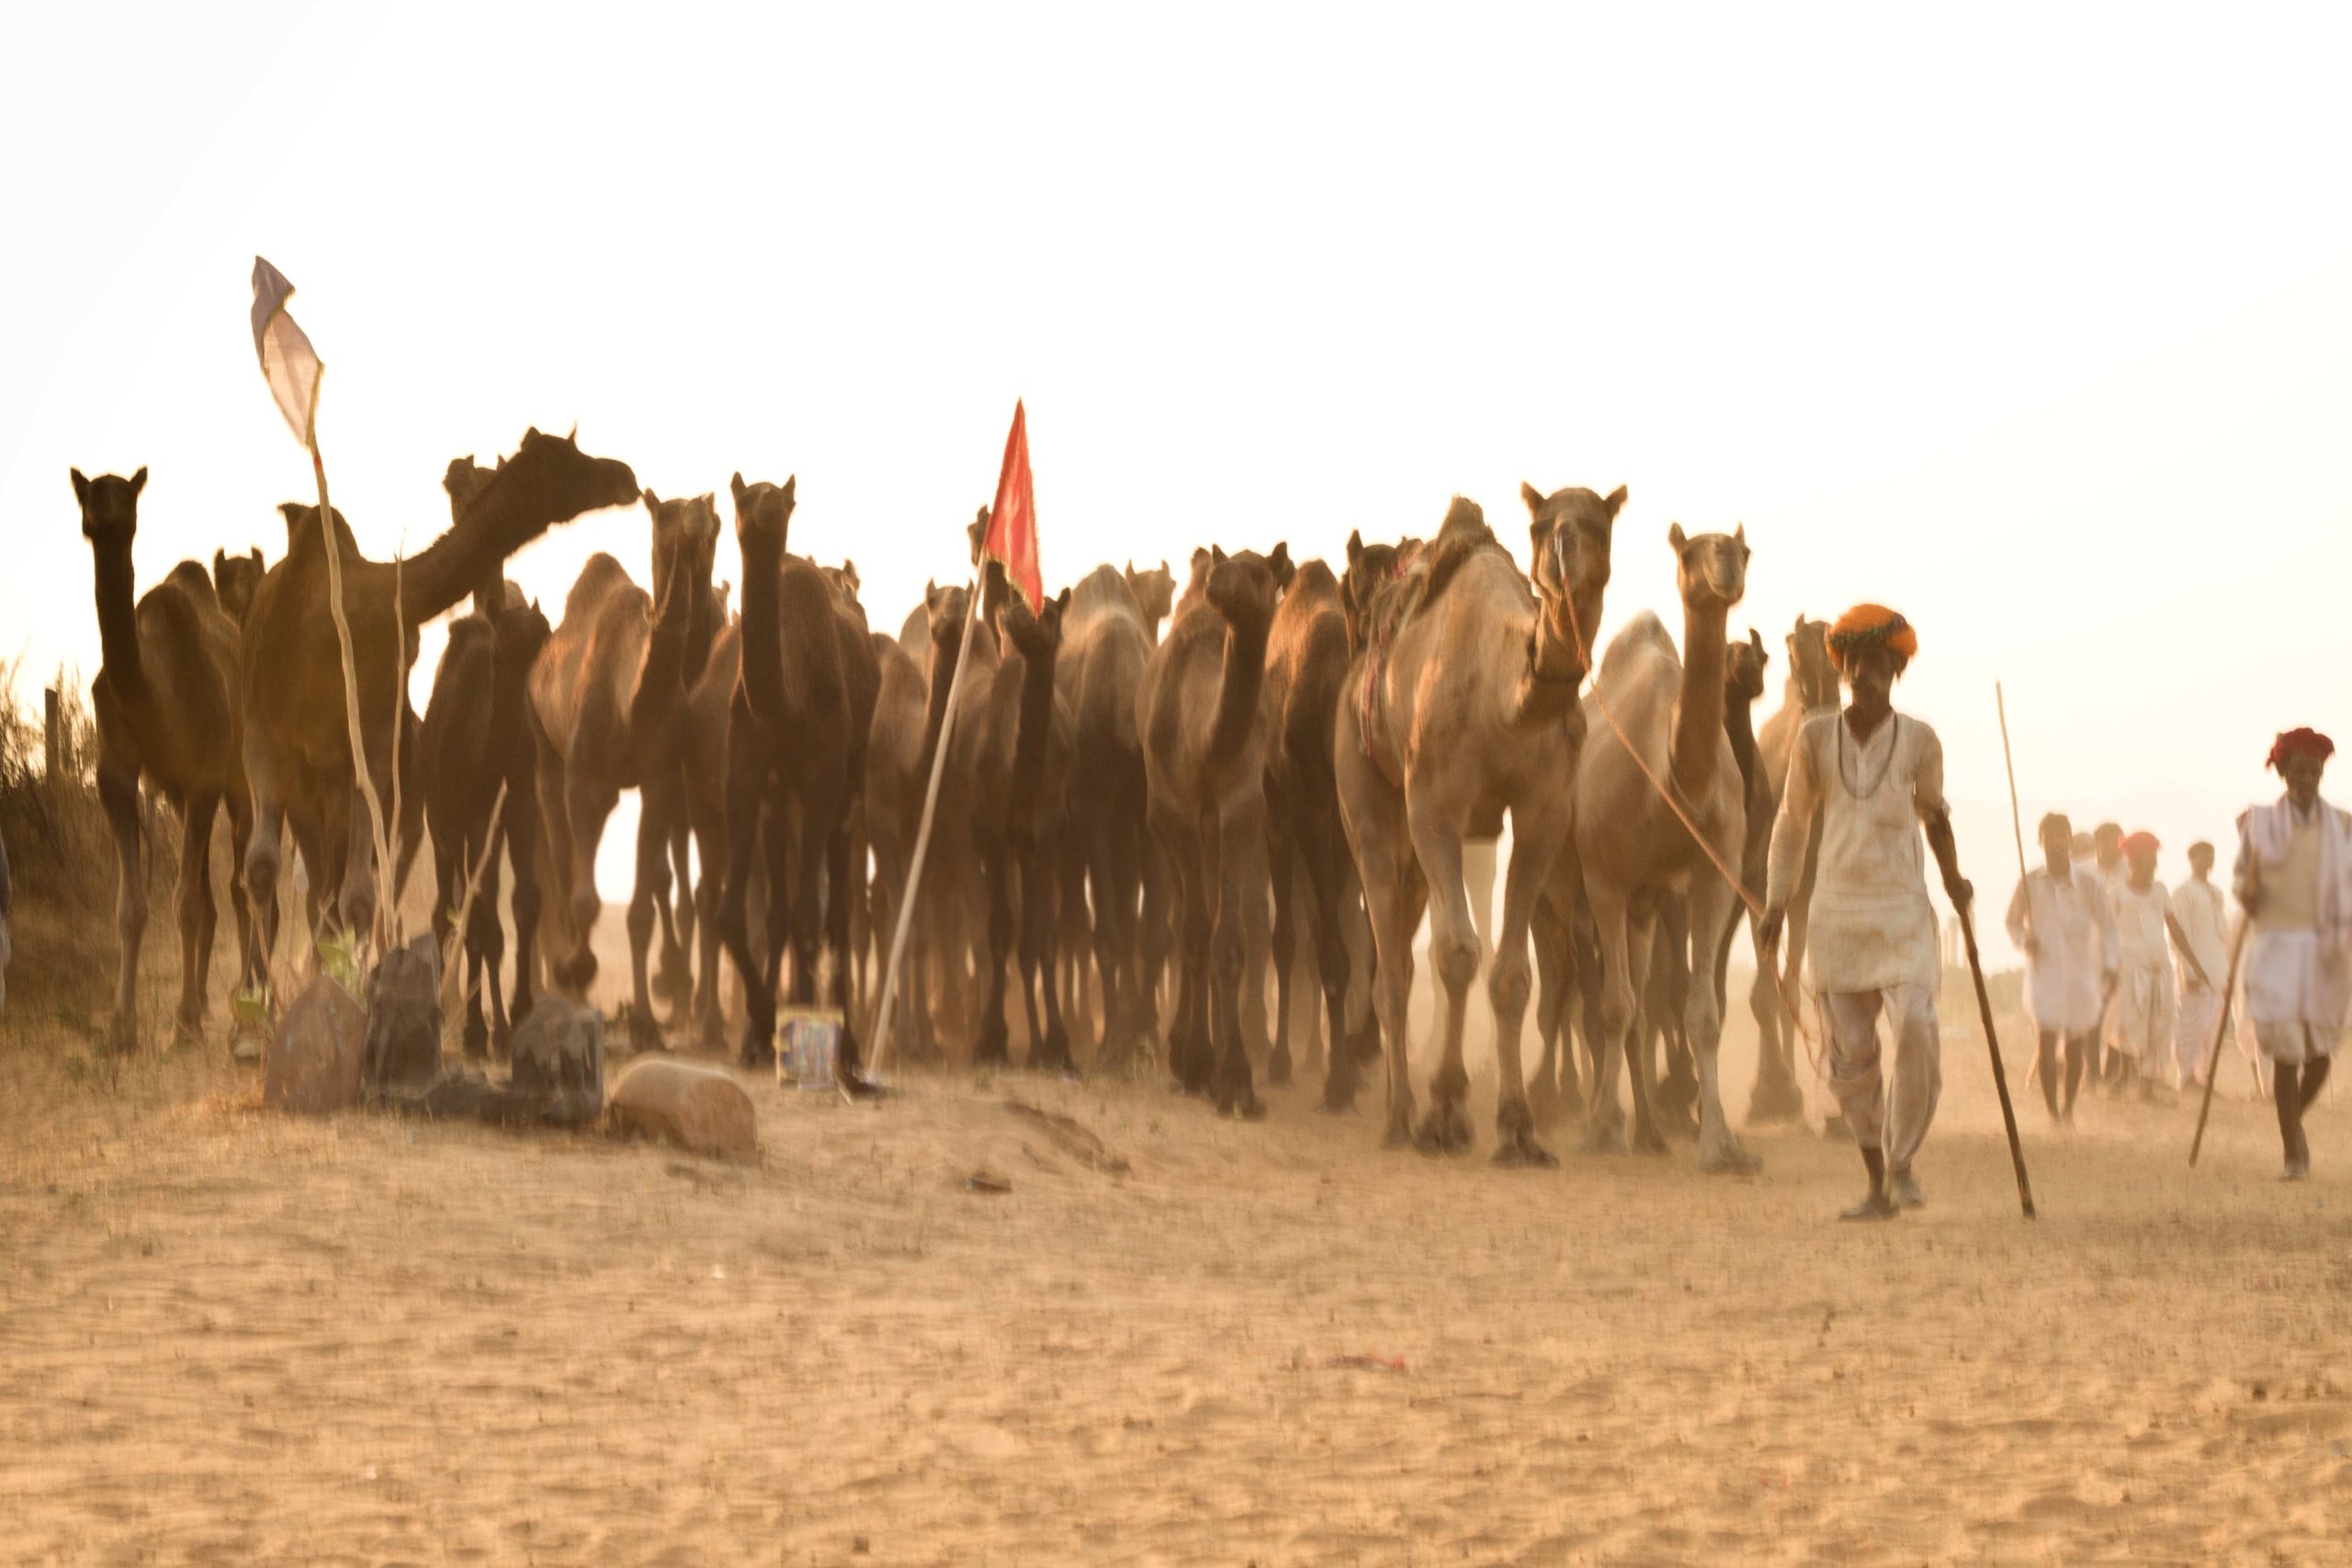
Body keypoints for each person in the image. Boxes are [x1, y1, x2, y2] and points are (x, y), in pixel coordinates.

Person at [1761, 604, 1970, 1222]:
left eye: (1876, 663)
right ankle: (1879, 1179)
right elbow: (1792, 822)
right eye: (1853, 662)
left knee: (1918, 1029)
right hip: (1837, 917)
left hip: (1902, 911)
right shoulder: (1814, 738)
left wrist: (1955, 879)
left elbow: (1935, 815)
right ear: (1844, 669)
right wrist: (1776, 900)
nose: (1863, 672)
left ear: (1896, 670)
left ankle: (1904, 1162)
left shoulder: (1921, 740)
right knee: (1850, 1061)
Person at [2233, 728, 2351, 1179]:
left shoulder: (2343, 824)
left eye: (2315, 772)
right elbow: (2244, 883)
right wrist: (2252, 891)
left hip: (2326, 953)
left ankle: (2292, 1122)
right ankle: (2293, 1155)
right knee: (2285, 1053)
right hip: (2276, 949)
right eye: (2298, 771)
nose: (2307, 779)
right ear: (2282, 773)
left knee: (2320, 1053)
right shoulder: (2260, 823)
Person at [2007, 811, 2117, 1124]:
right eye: (2050, 837)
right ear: (2041, 841)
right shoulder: (2029, 882)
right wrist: (2024, 940)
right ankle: (2052, 1111)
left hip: (2080, 975)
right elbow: (2012, 921)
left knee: (2074, 1044)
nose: (2056, 843)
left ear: (2069, 841)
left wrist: (2109, 963)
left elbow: (2108, 927)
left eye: (2061, 836)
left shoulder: (2089, 884)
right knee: (2045, 1039)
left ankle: (2068, 1108)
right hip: (2043, 974)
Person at [2109, 831, 2183, 1100]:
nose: (2153, 867)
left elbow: (2174, 927)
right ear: (2133, 862)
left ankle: (2147, 1088)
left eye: (2154, 862)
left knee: (2158, 1027)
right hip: (2130, 969)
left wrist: (2193, 961)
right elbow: (2105, 932)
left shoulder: (2161, 891)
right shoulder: (2117, 894)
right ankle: (2124, 1076)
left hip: (2160, 967)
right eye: (2148, 861)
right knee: (2131, 1025)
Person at [2170, 840, 2229, 1089]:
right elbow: (2178, 933)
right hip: (2194, 971)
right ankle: (2185, 1077)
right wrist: (2190, 970)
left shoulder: (2216, 892)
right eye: (2203, 855)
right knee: (2190, 1025)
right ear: (2191, 858)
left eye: (2211, 855)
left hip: (2216, 970)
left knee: (2211, 1029)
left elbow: (2221, 933)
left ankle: (2205, 1078)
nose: (2208, 860)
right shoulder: (2184, 891)